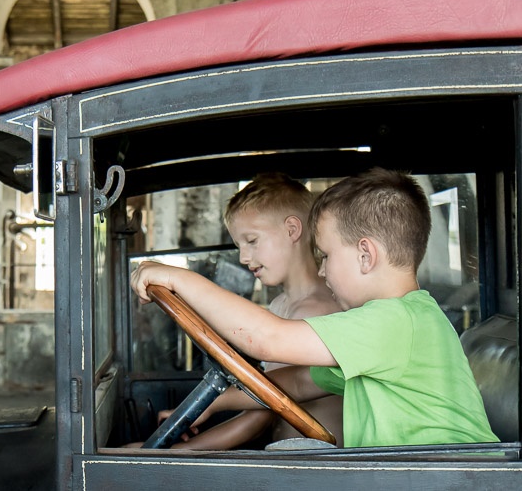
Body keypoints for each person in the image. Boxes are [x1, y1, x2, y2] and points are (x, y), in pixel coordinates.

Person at [131, 167, 499, 448]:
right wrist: (214, 403)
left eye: (325, 256)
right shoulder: (388, 327)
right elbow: (300, 382)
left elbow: (266, 339)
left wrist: (178, 278)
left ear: (366, 255)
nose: (321, 270)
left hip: (448, 480)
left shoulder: (396, 320)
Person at [152, 172, 342, 450]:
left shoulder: (317, 310)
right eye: (239, 246)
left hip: (321, 461)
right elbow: (263, 404)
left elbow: (259, 417)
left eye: (252, 241)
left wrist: (175, 452)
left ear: (292, 230)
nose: (243, 257)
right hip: (287, 454)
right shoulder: (279, 306)